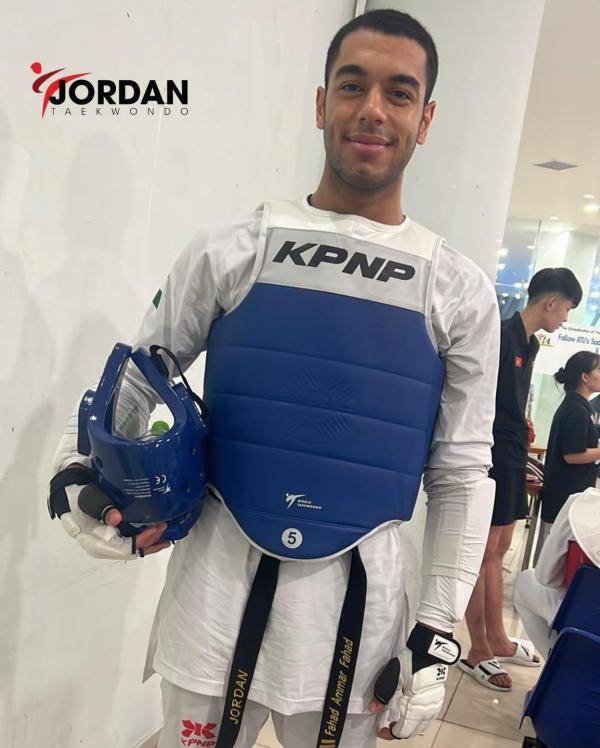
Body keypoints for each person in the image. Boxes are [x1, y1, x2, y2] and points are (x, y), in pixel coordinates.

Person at [49, 10, 501, 747]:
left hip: (356, 617)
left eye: (399, 92)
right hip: (213, 596)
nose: (373, 109)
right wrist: (79, 467)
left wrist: (438, 625)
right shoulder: (229, 249)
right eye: (352, 86)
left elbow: (461, 469)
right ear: (321, 103)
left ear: (426, 119)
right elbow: (137, 377)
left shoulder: (460, 290)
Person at [460, 268, 582, 692]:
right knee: (483, 551)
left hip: (512, 452)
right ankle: (479, 647)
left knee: (500, 549)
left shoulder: (529, 344)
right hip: (492, 452)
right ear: (551, 302)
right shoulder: (501, 334)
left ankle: (498, 636)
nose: (565, 318)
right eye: (566, 310)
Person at [515, 487, 600, 657]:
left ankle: (561, 662)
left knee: (525, 582)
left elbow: (546, 577)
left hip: (583, 617)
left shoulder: (581, 504)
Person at [541, 352, 600, 527]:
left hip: (569, 493)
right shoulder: (577, 410)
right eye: (599, 370)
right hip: (566, 495)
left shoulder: (578, 406)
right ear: (585, 377)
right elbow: (573, 455)